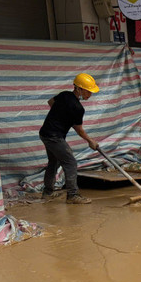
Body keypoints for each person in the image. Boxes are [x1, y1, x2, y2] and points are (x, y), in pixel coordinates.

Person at [39, 73, 100, 204]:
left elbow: (50, 102)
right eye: (88, 91)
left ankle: (48, 192)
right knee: (70, 162)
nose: (90, 94)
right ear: (79, 88)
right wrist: (90, 141)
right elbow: (79, 130)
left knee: (54, 162)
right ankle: (73, 195)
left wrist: (60, 116)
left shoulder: (64, 94)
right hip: (54, 137)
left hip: (45, 133)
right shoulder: (78, 108)